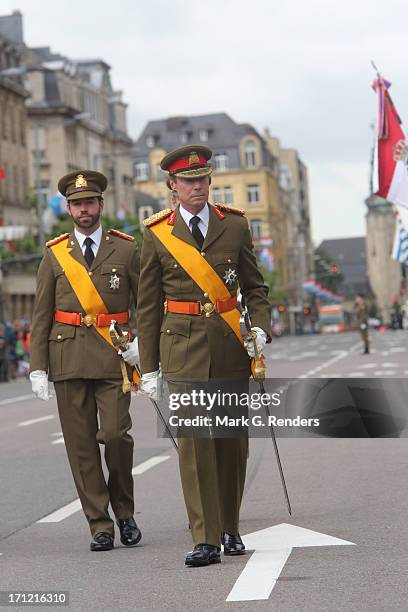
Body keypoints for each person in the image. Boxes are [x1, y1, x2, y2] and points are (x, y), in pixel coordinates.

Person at [137, 145, 271, 567]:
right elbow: (147, 304)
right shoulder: (157, 232)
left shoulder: (234, 226)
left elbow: (255, 287)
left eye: (203, 179)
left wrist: (261, 327)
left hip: (230, 345)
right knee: (195, 448)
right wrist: (150, 367)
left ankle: (231, 528)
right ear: (172, 186)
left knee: (231, 444)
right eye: (188, 181)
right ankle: (205, 538)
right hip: (182, 348)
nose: (197, 186)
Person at [29, 170, 141, 552]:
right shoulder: (55, 253)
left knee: (115, 435)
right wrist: (38, 367)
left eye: (89, 202)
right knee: (81, 447)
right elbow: (42, 313)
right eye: (77, 204)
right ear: (69, 208)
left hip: (114, 358)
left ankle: (124, 511)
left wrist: (140, 342)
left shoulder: (125, 249)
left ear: (100, 205)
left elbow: (144, 301)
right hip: (68, 358)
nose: (84, 210)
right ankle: (100, 524)